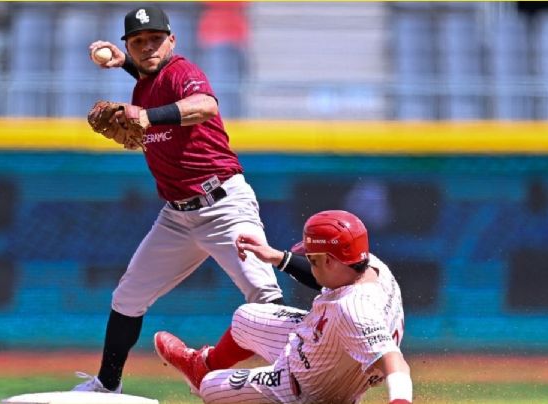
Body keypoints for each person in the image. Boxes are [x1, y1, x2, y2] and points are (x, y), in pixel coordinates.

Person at [72, 5, 284, 394]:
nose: (147, 46)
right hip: (177, 216)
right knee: (128, 296)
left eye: (155, 38)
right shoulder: (145, 81)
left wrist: (150, 117)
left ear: (172, 40)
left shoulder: (183, 71)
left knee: (265, 298)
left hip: (222, 205)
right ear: (128, 47)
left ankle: (306, 380)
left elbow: (206, 105)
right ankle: (106, 385)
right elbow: (149, 75)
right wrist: (124, 65)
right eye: (138, 41)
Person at [154, 210, 413, 404]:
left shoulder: (355, 309)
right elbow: (328, 275)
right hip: (328, 347)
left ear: (331, 260)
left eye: (312, 259)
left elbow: (396, 363)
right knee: (246, 316)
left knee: (211, 388)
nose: (310, 264)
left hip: (307, 385)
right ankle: (202, 365)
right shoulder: (371, 267)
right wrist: (277, 257)